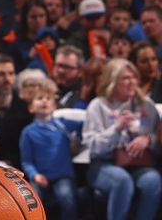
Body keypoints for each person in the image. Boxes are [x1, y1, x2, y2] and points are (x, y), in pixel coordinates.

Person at [83, 59, 161, 220]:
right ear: (112, 80)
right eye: (125, 78)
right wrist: (116, 129)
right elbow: (93, 146)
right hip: (104, 164)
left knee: (153, 180)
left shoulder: (146, 105)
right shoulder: (98, 106)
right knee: (122, 180)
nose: (132, 82)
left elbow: (157, 138)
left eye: (134, 77)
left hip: (138, 163)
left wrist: (147, 139)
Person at [19, 79, 80, 217]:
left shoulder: (63, 125)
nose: (45, 101)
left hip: (62, 176)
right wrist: (35, 175)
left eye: (48, 98)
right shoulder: (28, 132)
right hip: (40, 176)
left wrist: (79, 141)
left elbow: (85, 124)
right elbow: (27, 161)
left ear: (54, 106)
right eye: (40, 98)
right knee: (31, 201)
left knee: (67, 197)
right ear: (31, 107)